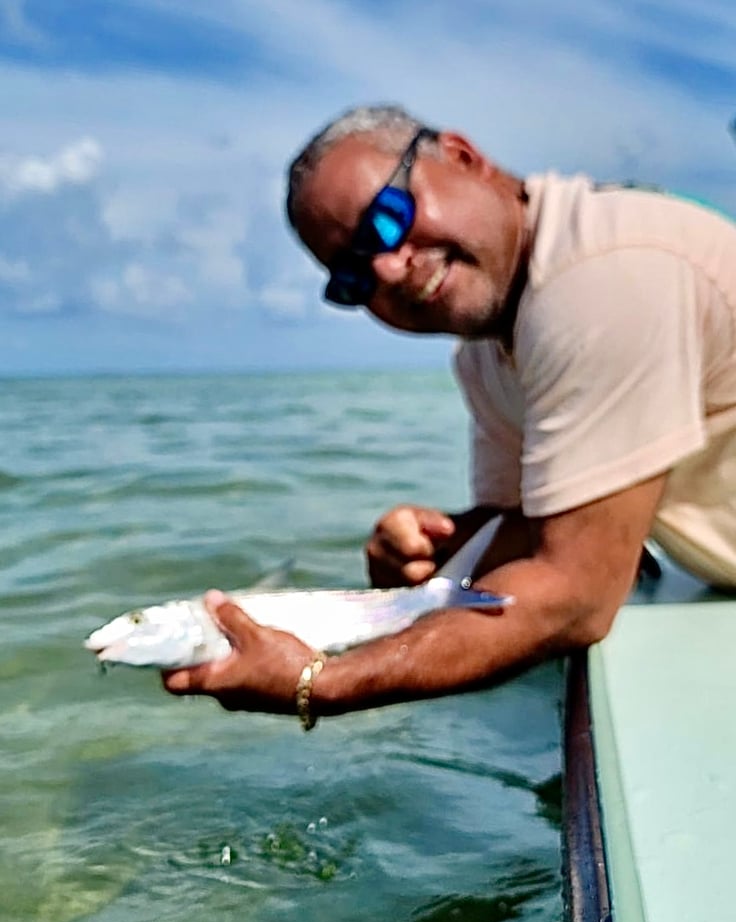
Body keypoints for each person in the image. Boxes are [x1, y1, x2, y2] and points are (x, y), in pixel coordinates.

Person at [163, 104, 736, 726]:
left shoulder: (604, 277)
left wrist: (317, 682)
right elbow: (524, 526)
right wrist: (446, 542)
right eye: (352, 278)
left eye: (386, 220)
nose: (386, 267)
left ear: (463, 157)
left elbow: (577, 597)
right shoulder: (485, 355)